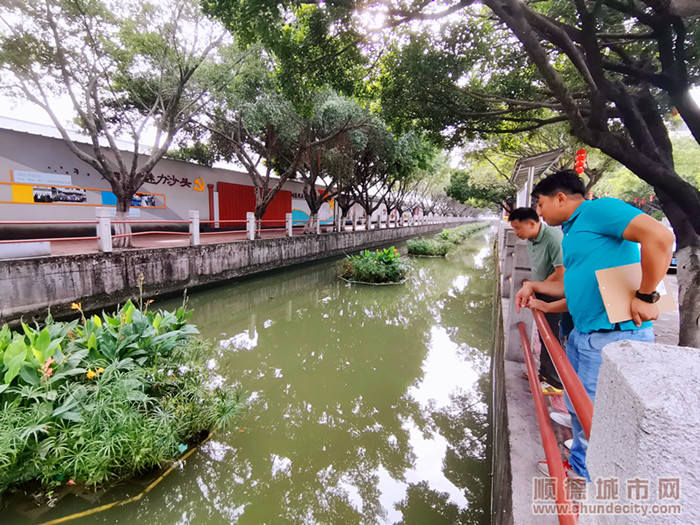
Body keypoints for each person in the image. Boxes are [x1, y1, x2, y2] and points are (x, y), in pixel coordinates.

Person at [516, 169, 674, 482]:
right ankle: (583, 449)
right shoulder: (574, 230)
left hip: (611, 335)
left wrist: (646, 294)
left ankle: (582, 470)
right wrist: (540, 294)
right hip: (586, 332)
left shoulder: (599, 210)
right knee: (580, 402)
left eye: (540, 203)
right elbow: (577, 285)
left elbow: (661, 236)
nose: (539, 211)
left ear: (560, 197)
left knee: (593, 409)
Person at [508, 207, 565, 395]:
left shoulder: (554, 238)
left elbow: (561, 274)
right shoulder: (531, 239)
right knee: (543, 335)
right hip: (540, 291)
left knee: (553, 337)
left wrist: (536, 287)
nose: (515, 233)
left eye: (518, 228)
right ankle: (544, 374)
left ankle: (556, 382)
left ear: (532, 223)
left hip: (554, 294)